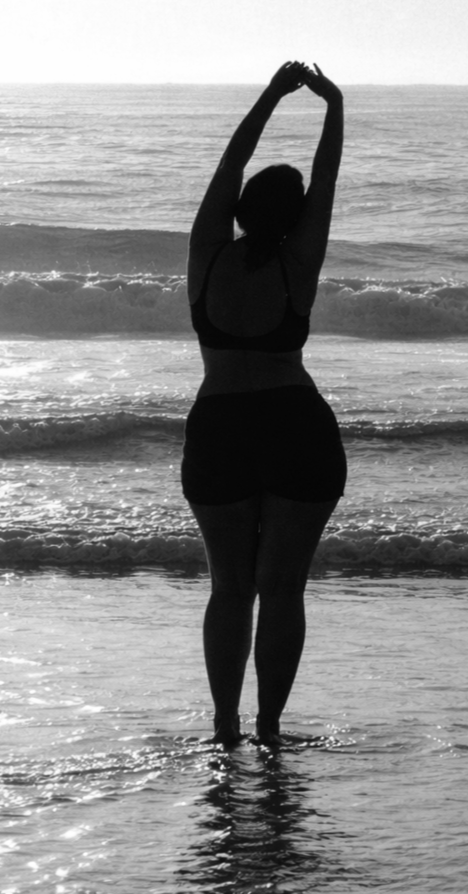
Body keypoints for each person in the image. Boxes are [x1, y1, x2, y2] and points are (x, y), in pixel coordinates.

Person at [181, 61, 347, 746]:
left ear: (243, 210)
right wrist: (334, 105)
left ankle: (225, 726)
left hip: (220, 427)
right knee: (281, 589)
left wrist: (272, 97)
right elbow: (327, 176)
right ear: (295, 217)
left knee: (229, 587)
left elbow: (230, 163)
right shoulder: (297, 262)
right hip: (293, 426)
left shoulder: (207, 255)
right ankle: (270, 729)